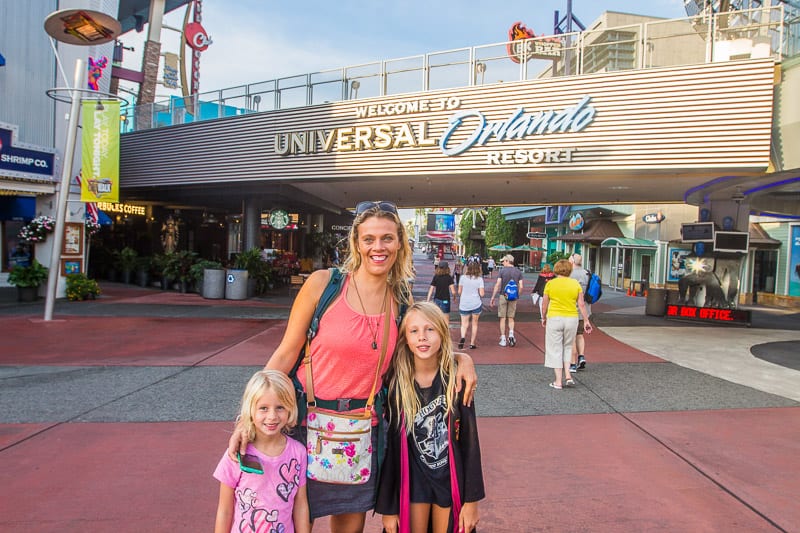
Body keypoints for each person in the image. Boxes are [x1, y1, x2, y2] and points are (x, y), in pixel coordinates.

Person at [228, 201, 477, 533]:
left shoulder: (401, 301)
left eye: (387, 238)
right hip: (301, 427)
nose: (378, 247)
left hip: (360, 434)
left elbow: (425, 345)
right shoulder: (324, 285)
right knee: (286, 522)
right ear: (356, 243)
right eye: (369, 238)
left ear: (400, 242)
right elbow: (284, 355)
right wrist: (247, 419)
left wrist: (463, 358)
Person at [376, 302, 484, 533]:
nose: (422, 337)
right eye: (414, 331)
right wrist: (388, 507)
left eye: (430, 329)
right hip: (413, 482)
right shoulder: (396, 385)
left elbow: (470, 444)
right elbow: (391, 451)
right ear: (405, 338)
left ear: (442, 333)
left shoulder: (457, 382)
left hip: (449, 480)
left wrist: (472, 500)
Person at [214, 370, 310, 533]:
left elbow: (300, 504)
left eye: (280, 407)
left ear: (290, 408)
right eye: (263, 408)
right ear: (250, 409)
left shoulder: (298, 452)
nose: (272, 416)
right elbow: (225, 510)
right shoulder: (236, 454)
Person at [540, 259, 593, 389]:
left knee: (555, 348)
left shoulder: (550, 284)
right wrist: (586, 320)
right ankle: (568, 375)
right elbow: (581, 304)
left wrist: (543, 317)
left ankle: (558, 381)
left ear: (556, 270)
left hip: (555, 318)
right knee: (568, 346)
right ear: (569, 270)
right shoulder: (575, 284)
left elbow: (544, 303)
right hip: (572, 318)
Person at [489, 255, 524, 347]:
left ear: (508, 261)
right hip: (513, 296)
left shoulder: (502, 271)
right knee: (511, 317)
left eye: (504, 261)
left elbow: (497, 284)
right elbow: (521, 286)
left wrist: (492, 297)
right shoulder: (518, 271)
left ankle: (503, 338)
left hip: (503, 295)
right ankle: (511, 334)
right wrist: (517, 295)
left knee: (502, 318)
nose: (503, 263)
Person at [569, 254, 591, 373]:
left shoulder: (569, 274)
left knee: (571, 337)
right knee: (580, 334)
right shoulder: (587, 273)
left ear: (572, 260)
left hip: (572, 309)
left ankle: (572, 363)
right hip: (585, 310)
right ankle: (581, 356)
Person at [457, 261, 485, 350]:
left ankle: (462, 337)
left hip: (464, 303)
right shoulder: (479, 279)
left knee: (464, 324)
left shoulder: (462, 278)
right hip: (475, 303)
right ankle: (472, 343)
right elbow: (482, 294)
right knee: (474, 324)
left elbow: (459, 292)